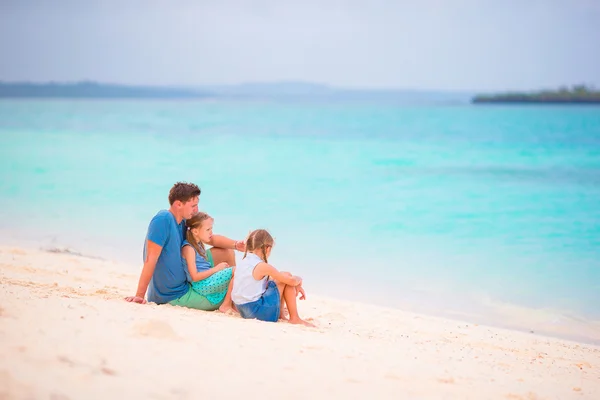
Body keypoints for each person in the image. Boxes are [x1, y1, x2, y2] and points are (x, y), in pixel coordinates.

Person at [125, 182, 246, 308]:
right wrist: (139, 295)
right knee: (229, 296)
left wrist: (237, 245)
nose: (196, 210)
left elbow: (209, 239)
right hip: (174, 294)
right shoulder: (163, 220)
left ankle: (235, 292)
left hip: (189, 278)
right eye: (193, 206)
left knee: (226, 252)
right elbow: (150, 259)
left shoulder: (183, 221)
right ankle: (232, 300)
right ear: (178, 204)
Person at [231, 229, 314, 326]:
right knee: (286, 276)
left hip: (242, 309)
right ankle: (294, 318)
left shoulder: (243, 262)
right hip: (256, 312)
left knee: (283, 275)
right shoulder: (262, 266)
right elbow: (291, 281)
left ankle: (281, 314)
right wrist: (299, 279)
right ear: (267, 248)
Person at [182, 212, 236, 313]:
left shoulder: (198, 244)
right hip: (202, 284)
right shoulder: (189, 249)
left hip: (207, 280)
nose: (211, 233)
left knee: (235, 271)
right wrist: (216, 269)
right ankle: (226, 305)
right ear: (195, 231)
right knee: (236, 271)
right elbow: (195, 277)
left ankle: (234, 300)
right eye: (208, 230)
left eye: (211, 229)